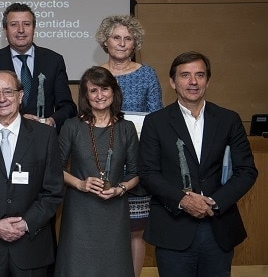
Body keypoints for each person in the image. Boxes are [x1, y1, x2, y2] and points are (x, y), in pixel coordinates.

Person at [138, 52, 258, 276]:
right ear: (173, 82)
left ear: (207, 81)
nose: (193, 81)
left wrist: (213, 202)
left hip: (218, 226)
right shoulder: (156, 122)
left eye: (199, 75)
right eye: (185, 75)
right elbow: (148, 172)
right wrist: (183, 200)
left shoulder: (228, 119)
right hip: (173, 227)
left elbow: (246, 171)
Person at [0, 70, 63, 277]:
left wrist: (24, 224)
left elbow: (53, 190)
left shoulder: (45, 136)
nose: (1, 99)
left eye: (8, 91)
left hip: (31, 248)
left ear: (20, 95)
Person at [55, 66, 140, 277]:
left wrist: (120, 188)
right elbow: (54, 168)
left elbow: (136, 172)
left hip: (115, 212)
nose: (99, 96)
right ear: (85, 95)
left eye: (104, 89)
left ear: (114, 91)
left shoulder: (127, 128)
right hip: (80, 212)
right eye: (93, 91)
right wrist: (80, 184)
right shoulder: (71, 126)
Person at [95, 14, 162, 277]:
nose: (122, 43)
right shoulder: (96, 75)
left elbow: (157, 119)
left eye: (128, 38)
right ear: (105, 41)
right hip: (101, 161)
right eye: (116, 37)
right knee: (103, 227)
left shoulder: (147, 74)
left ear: (135, 44)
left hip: (138, 162)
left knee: (136, 230)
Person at [0, 3, 76, 130]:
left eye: (26, 24)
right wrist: (14, 121)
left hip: (43, 138)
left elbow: (68, 107)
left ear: (34, 28)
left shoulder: (53, 60)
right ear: (5, 30)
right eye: (14, 24)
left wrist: (52, 121)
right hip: (3, 138)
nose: (21, 30)